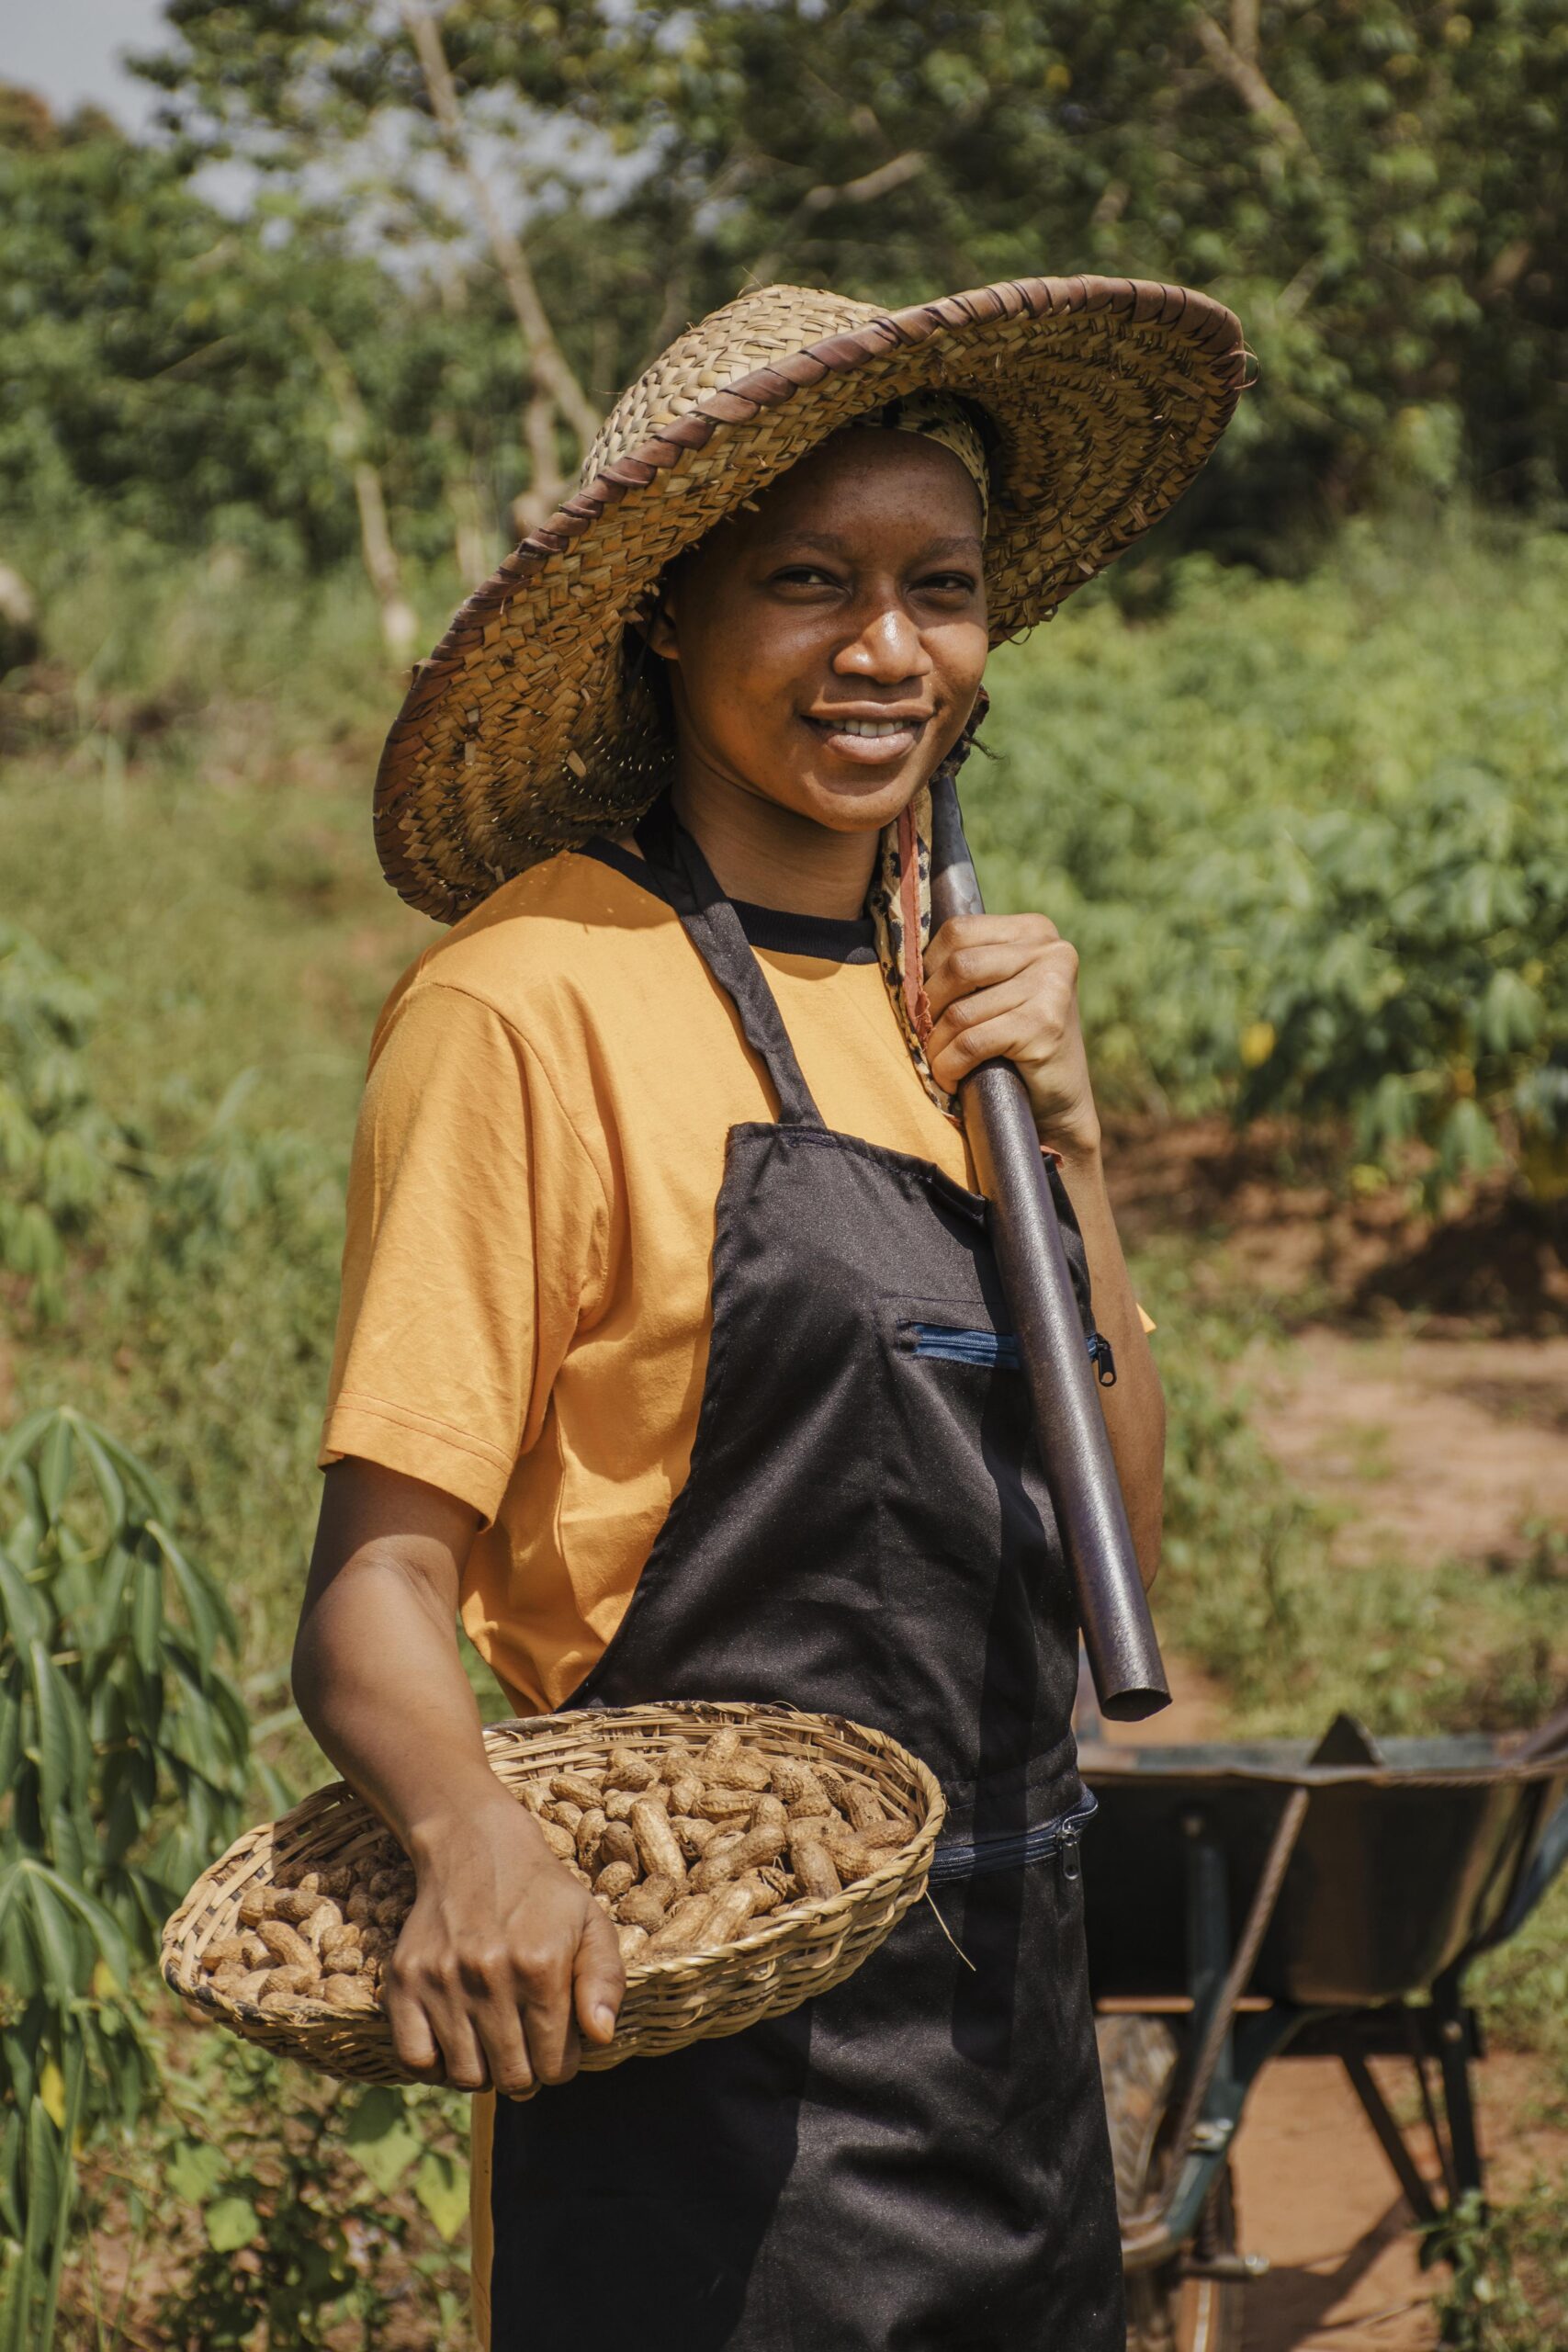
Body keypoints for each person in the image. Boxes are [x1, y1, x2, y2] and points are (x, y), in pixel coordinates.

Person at [293, 276, 1244, 2349]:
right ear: (666, 610)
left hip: (1007, 2007)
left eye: (941, 586)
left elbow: (1120, 1574)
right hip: (694, 2036)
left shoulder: (961, 1016)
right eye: (807, 579)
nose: (883, 647)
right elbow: (371, 1588)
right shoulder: (525, 997)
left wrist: (1066, 1146)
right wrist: (469, 1837)